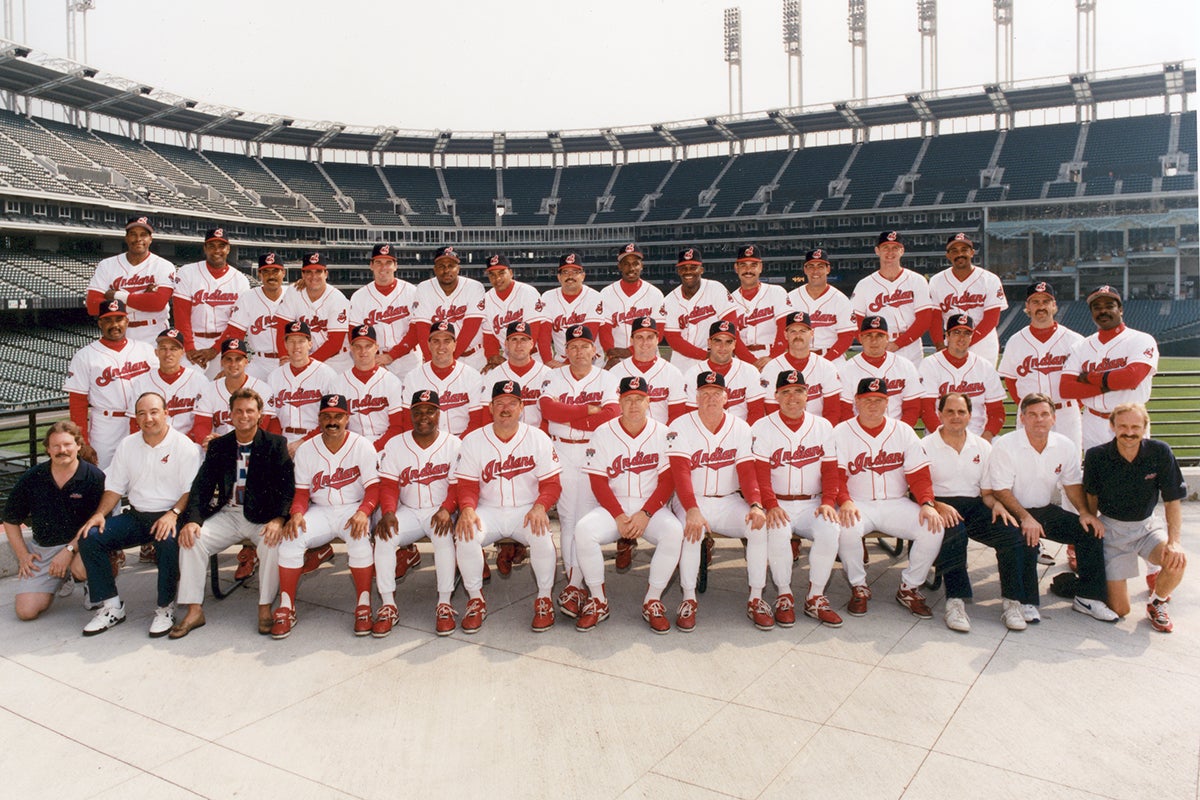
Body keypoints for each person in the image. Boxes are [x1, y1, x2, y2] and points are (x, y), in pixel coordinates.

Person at [983, 393, 1120, 623]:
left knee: (1090, 531)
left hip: (1044, 510)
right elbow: (1001, 491)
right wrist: (1025, 517)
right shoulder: (1006, 445)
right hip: (1010, 511)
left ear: (1054, 419)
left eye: (1045, 414)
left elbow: (1072, 485)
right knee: (1026, 536)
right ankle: (1026, 602)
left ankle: (1088, 598)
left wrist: (1086, 513)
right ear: (1022, 418)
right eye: (1033, 415)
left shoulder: (1064, 446)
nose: (1039, 419)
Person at [171, 388, 293, 638]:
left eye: (250, 410)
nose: (244, 415)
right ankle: (194, 610)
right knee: (191, 539)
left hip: (262, 516)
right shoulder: (220, 446)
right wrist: (193, 520)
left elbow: (287, 487)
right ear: (230, 415)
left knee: (272, 545)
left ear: (260, 414)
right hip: (228, 513)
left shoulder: (275, 444)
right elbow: (202, 486)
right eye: (238, 411)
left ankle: (264, 606)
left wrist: (279, 519)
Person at [77, 392, 202, 637]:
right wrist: (100, 514)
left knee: (166, 541)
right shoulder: (128, 444)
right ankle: (111, 606)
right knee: (91, 536)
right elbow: (114, 487)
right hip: (137, 516)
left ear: (167, 413)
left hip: (171, 515)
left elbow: (191, 490)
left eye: (154, 411)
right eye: (142, 413)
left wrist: (173, 514)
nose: (149, 418)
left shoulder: (183, 445)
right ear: (136, 418)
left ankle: (165, 608)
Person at [572, 376, 683, 633]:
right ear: (619, 402)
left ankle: (652, 600)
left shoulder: (664, 433)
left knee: (673, 532)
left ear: (649, 401)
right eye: (628, 399)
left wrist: (646, 513)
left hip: (650, 508)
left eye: (639, 399)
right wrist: (619, 516)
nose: (634, 405)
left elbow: (668, 481)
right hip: (615, 506)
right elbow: (598, 482)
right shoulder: (603, 432)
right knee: (584, 530)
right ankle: (598, 599)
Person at [454, 380, 563, 633]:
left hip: (525, 510)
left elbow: (552, 484)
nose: (505, 408)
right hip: (488, 509)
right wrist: (468, 509)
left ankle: (544, 598)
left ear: (521, 407)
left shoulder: (537, 438)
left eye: (511, 403)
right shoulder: (473, 440)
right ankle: (475, 600)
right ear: (490, 407)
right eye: (500, 403)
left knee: (542, 537)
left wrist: (540, 507)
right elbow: (466, 486)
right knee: (466, 535)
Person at [833, 377, 945, 619]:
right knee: (846, 526)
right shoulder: (841, 432)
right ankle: (859, 586)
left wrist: (926, 503)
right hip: (859, 502)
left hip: (896, 503)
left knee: (933, 527)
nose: (873, 405)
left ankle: (909, 587)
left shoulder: (903, 431)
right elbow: (836, 477)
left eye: (879, 400)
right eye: (867, 400)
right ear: (856, 402)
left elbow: (920, 475)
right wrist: (845, 501)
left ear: (887, 403)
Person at [272, 394, 381, 639]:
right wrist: (297, 513)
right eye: (327, 416)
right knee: (291, 537)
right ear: (319, 419)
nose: (332, 421)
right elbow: (301, 492)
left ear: (347, 418)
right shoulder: (307, 449)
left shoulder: (362, 445)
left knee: (360, 539)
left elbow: (374, 488)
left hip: (352, 508)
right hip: (320, 510)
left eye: (338, 416)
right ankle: (286, 607)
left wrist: (364, 513)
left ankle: (363, 605)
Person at [667, 371, 768, 631]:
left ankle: (756, 597)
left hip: (728, 500)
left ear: (727, 398)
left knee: (758, 527)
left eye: (716, 393)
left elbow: (747, 472)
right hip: (692, 499)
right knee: (693, 530)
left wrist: (755, 504)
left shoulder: (740, 427)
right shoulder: (680, 425)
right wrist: (691, 509)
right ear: (696, 397)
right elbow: (680, 473)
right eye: (705, 393)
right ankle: (688, 598)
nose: (710, 398)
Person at [925, 393, 1031, 633]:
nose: (955, 417)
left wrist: (998, 505)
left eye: (961, 412)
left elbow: (987, 493)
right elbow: (916, 489)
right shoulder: (925, 445)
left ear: (970, 416)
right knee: (955, 531)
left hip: (974, 503)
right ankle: (956, 601)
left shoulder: (982, 446)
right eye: (949, 411)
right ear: (939, 414)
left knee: (1011, 532)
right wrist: (936, 505)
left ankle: (1013, 602)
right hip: (938, 504)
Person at [751, 370, 848, 628]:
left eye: (798, 391)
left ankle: (816, 596)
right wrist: (771, 505)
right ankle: (784, 594)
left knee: (830, 529)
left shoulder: (823, 426)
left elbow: (830, 470)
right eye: (785, 392)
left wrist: (828, 502)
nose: (792, 397)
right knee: (780, 533)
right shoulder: (762, 426)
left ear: (808, 395)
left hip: (811, 503)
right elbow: (760, 475)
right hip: (778, 502)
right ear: (776, 396)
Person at [1083, 403, 1188, 632]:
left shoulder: (1160, 451)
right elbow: (1090, 498)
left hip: (1146, 528)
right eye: (1122, 426)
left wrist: (1174, 542)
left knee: (1177, 561)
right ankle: (1082, 590)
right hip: (1112, 531)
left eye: (1135, 427)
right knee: (1120, 610)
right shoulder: (1096, 456)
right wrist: (1092, 537)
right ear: (1112, 426)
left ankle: (1157, 603)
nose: (1129, 432)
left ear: (1144, 428)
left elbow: (1172, 500)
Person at [538, 325, 620, 618]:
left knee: (583, 518)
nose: (578, 352)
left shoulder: (608, 377)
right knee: (568, 517)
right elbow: (549, 411)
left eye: (585, 346)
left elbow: (612, 415)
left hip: (593, 450)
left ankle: (575, 583)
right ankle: (575, 583)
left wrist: (571, 416)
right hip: (560, 449)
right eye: (573, 347)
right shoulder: (553, 376)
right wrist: (588, 411)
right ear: (565, 351)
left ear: (594, 351)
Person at [374, 391, 461, 637]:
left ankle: (444, 603)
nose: (424, 417)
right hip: (409, 511)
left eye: (430, 411)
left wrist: (447, 509)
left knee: (443, 538)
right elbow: (389, 484)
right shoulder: (396, 444)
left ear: (439, 414)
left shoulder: (453, 443)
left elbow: (457, 485)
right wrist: (389, 511)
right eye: (418, 412)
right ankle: (388, 604)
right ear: (410, 414)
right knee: (384, 536)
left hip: (440, 510)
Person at [3, 421, 104, 621]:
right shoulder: (33, 477)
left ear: (78, 445)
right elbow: (10, 519)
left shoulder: (94, 477)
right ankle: (61, 578)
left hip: (80, 544)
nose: (62, 450)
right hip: (44, 550)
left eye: (67, 444)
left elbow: (97, 522)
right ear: (48, 449)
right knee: (26, 611)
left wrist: (69, 551)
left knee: (82, 567)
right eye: (56, 446)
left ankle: (88, 582)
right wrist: (23, 555)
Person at [1061, 285, 1159, 451]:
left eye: (1109, 306)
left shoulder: (1141, 339)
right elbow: (1066, 389)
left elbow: (1132, 378)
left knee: (1133, 474)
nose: (1103, 311)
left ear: (1120, 309)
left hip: (1130, 421)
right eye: (1097, 308)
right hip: (1092, 421)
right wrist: (1112, 384)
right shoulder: (1081, 346)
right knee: (1098, 474)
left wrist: (1091, 378)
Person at [64, 299, 158, 470]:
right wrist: (82, 440)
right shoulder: (85, 356)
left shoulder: (146, 350)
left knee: (143, 475)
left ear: (127, 321)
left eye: (118, 319)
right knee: (104, 478)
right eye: (108, 320)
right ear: (100, 323)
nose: (114, 325)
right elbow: (77, 402)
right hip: (105, 426)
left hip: (143, 421)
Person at [997, 281, 1084, 451]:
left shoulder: (1075, 340)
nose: (1041, 306)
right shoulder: (1016, 341)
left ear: (1054, 306)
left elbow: (1083, 380)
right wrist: (1028, 407)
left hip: (1066, 413)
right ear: (1027, 307)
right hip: (1030, 415)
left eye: (1046, 301)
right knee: (1028, 465)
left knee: (1068, 467)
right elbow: (1011, 380)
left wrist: (1073, 405)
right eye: (1035, 302)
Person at [172, 226, 250, 377]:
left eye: (221, 246)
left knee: (224, 392)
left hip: (224, 344)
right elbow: (181, 316)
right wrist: (189, 348)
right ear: (205, 248)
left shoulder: (240, 280)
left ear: (228, 249)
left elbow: (238, 324)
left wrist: (215, 350)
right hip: (193, 341)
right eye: (212, 246)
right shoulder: (187, 272)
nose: (217, 250)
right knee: (188, 387)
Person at [86, 215, 176, 345]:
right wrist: (143, 299)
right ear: (126, 238)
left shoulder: (163, 265)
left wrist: (117, 296)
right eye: (133, 234)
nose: (138, 239)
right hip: (119, 332)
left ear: (150, 239)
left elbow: (157, 303)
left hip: (153, 332)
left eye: (143, 234)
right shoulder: (106, 265)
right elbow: (93, 306)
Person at [850, 231, 934, 367]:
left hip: (910, 346)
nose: (890, 252)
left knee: (912, 386)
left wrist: (899, 343)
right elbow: (854, 320)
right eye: (885, 248)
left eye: (895, 248)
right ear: (877, 251)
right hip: (878, 345)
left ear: (902, 251)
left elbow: (924, 319)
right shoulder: (864, 285)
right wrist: (870, 343)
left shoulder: (917, 280)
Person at [661, 247, 749, 376]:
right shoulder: (669, 300)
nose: (688, 272)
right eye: (684, 268)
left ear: (701, 270)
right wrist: (705, 355)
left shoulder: (715, 288)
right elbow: (674, 340)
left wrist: (717, 352)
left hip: (717, 359)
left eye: (693, 267)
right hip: (683, 364)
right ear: (679, 271)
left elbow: (731, 323)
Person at [918, 315, 1006, 440]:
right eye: (956, 332)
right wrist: (943, 437)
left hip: (978, 435)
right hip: (939, 435)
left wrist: (986, 437)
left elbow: (996, 411)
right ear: (947, 336)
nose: (962, 338)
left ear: (972, 337)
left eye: (966, 333)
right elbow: (927, 409)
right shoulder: (930, 364)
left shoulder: (984, 366)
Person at [927, 233, 1008, 364]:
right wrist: (939, 345)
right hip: (952, 344)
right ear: (948, 255)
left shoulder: (990, 279)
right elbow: (934, 318)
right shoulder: (936, 281)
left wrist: (966, 341)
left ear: (972, 252)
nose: (960, 254)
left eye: (964, 250)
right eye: (954, 251)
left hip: (983, 344)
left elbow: (992, 319)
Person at [262, 321, 339, 457]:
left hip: (318, 439)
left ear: (310, 344)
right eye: (291, 341)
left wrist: (304, 441)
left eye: (301, 341)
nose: (296, 346)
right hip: (284, 440)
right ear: (285, 345)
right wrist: (279, 443)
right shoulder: (275, 376)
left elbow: (332, 418)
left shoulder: (327, 374)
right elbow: (272, 417)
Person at [399, 321, 488, 437]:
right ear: (429, 344)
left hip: (464, 439)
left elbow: (476, 422)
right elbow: (408, 421)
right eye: (436, 341)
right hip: (427, 441)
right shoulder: (413, 377)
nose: (441, 347)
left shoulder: (472, 376)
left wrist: (457, 445)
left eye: (447, 341)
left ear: (455, 344)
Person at [350, 242, 421, 380]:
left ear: (395, 265)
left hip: (409, 360)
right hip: (376, 361)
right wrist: (373, 360)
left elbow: (416, 330)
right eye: (378, 262)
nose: (383, 267)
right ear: (371, 265)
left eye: (388, 262)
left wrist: (391, 355)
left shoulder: (411, 292)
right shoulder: (359, 296)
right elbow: (353, 333)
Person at [331, 324, 405, 452]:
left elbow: (397, 426)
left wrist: (375, 448)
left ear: (376, 348)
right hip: (351, 446)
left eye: (368, 346)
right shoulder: (338, 383)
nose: (363, 351)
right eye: (358, 346)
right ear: (351, 349)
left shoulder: (391, 381)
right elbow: (336, 426)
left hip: (386, 445)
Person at [411, 246, 486, 371]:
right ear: (435, 269)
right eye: (441, 266)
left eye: (451, 266)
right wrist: (432, 361)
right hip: (438, 358)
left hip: (473, 357)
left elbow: (471, 328)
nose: (446, 270)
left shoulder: (474, 287)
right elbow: (422, 328)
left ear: (458, 268)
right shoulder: (424, 288)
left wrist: (450, 360)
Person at [836, 315, 921, 425]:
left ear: (887, 338)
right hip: (859, 433)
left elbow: (912, 408)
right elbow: (845, 411)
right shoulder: (846, 370)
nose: (874, 341)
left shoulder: (906, 366)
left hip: (898, 432)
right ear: (860, 339)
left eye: (879, 336)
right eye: (868, 336)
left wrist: (900, 433)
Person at [759, 311, 842, 424]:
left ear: (812, 333)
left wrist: (824, 432)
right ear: (785, 335)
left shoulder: (826, 367)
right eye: (793, 331)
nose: (798, 336)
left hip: (819, 428)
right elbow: (771, 409)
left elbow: (833, 411)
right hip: (782, 428)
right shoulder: (772, 368)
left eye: (803, 331)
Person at [274, 251, 351, 371]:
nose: (313, 276)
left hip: (336, 360)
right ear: (302, 274)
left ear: (326, 273)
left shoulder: (338, 299)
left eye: (318, 271)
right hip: (305, 358)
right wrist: (284, 356)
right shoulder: (294, 292)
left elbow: (335, 343)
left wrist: (306, 364)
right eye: (309, 272)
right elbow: (281, 328)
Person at [221, 251, 292, 381]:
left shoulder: (294, 294)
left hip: (291, 361)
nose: (271, 276)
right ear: (259, 274)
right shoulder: (248, 297)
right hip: (260, 363)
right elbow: (235, 334)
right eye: (266, 272)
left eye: (275, 271)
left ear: (283, 273)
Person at [597, 243, 666, 369]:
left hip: (648, 357)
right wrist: (612, 357)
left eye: (635, 263)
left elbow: (659, 332)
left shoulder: (655, 294)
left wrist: (629, 351)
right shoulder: (606, 293)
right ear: (620, 266)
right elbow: (604, 330)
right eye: (626, 264)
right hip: (616, 359)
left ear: (641, 266)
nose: (631, 268)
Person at [681, 321, 765, 423]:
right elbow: (691, 414)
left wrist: (744, 435)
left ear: (734, 344)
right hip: (705, 433)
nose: (723, 347)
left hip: (741, 433)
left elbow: (757, 412)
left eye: (728, 342)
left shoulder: (749, 371)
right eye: (718, 341)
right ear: (709, 343)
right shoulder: (693, 374)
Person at [191, 338, 269, 445]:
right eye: (228, 359)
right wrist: (208, 441)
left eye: (238, 359)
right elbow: (201, 424)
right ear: (222, 362)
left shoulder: (262, 388)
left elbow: (266, 425)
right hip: (219, 447)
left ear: (246, 362)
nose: (233, 364)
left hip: (253, 446)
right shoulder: (208, 389)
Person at [130, 328, 206, 438]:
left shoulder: (199, 380)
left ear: (182, 352)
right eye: (163, 349)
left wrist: (183, 443)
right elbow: (134, 422)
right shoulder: (141, 382)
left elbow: (203, 422)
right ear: (156, 352)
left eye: (173, 349)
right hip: (153, 443)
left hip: (189, 443)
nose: (168, 354)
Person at [609, 316, 686, 424]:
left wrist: (664, 436)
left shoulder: (672, 372)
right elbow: (613, 414)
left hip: (662, 437)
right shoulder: (615, 373)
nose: (645, 342)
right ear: (632, 340)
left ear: (657, 339)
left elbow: (677, 414)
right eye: (640, 337)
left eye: (650, 337)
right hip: (626, 437)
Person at [783, 248, 856, 360]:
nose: (815, 271)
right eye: (811, 266)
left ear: (828, 269)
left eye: (820, 266)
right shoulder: (791, 298)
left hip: (832, 357)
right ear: (805, 270)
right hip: (797, 356)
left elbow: (847, 336)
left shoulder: (840, 299)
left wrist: (826, 360)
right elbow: (782, 332)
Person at [479, 253, 545, 372]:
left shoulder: (528, 292)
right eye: (492, 274)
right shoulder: (486, 299)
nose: (497, 278)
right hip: (507, 357)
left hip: (535, 356)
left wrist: (517, 360)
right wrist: (492, 357)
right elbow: (489, 337)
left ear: (511, 273)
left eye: (501, 273)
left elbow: (534, 332)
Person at [727, 244, 788, 369]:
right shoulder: (729, 301)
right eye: (743, 265)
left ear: (760, 267)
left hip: (774, 356)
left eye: (753, 265)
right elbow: (733, 337)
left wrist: (773, 357)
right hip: (742, 360)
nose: (748, 270)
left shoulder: (777, 292)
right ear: (736, 268)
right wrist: (751, 361)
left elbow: (784, 328)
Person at [538, 252, 603, 367]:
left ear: (583, 276)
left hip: (592, 362)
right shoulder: (548, 297)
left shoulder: (594, 297)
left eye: (575, 272)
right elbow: (544, 334)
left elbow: (589, 336)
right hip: (559, 362)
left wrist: (569, 365)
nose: (570, 276)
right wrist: (548, 361)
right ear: (559, 277)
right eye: (565, 272)